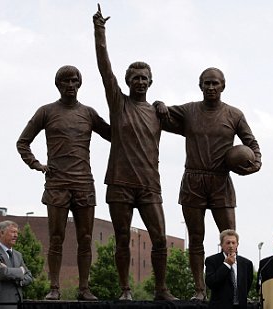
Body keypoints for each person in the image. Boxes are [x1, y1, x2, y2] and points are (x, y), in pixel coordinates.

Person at [93, 4, 177, 301]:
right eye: (135, 77)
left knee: (160, 240)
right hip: (119, 182)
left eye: (144, 78)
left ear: (150, 82)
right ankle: (125, 289)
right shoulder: (119, 103)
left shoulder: (158, 113)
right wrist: (99, 31)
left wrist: (165, 106)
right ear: (128, 82)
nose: (139, 81)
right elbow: (105, 69)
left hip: (149, 183)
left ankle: (161, 289)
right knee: (122, 239)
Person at [155, 67, 262, 300]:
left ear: (223, 86)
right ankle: (199, 290)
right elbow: (162, 115)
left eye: (215, 83)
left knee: (230, 237)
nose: (211, 87)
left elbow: (253, 146)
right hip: (193, 180)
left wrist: (252, 166)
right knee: (195, 238)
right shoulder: (190, 111)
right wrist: (159, 103)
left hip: (221, 181)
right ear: (200, 85)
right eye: (206, 83)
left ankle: (235, 290)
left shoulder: (234, 115)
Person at [17, 65, 110, 300]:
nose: (70, 85)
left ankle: (84, 288)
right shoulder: (46, 112)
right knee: (56, 237)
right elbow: (23, 142)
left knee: (86, 239)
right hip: (57, 183)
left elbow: (115, 135)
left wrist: (126, 114)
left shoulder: (88, 113)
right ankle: (55, 287)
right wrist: (37, 164)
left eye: (74, 81)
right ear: (58, 85)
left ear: (80, 84)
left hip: (84, 184)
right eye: (66, 81)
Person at [0, 221, 33, 308]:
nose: (16, 235)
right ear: (2, 233)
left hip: (17, 304)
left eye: (17, 232)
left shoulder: (18, 255)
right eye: (13, 232)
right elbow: (2, 273)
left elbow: (29, 276)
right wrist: (21, 271)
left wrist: (17, 278)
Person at [205, 229, 253, 309]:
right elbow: (211, 283)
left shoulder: (246, 263)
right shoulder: (212, 260)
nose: (231, 245)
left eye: (233, 243)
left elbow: (247, 285)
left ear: (237, 244)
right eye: (228, 243)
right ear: (221, 244)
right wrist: (226, 264)